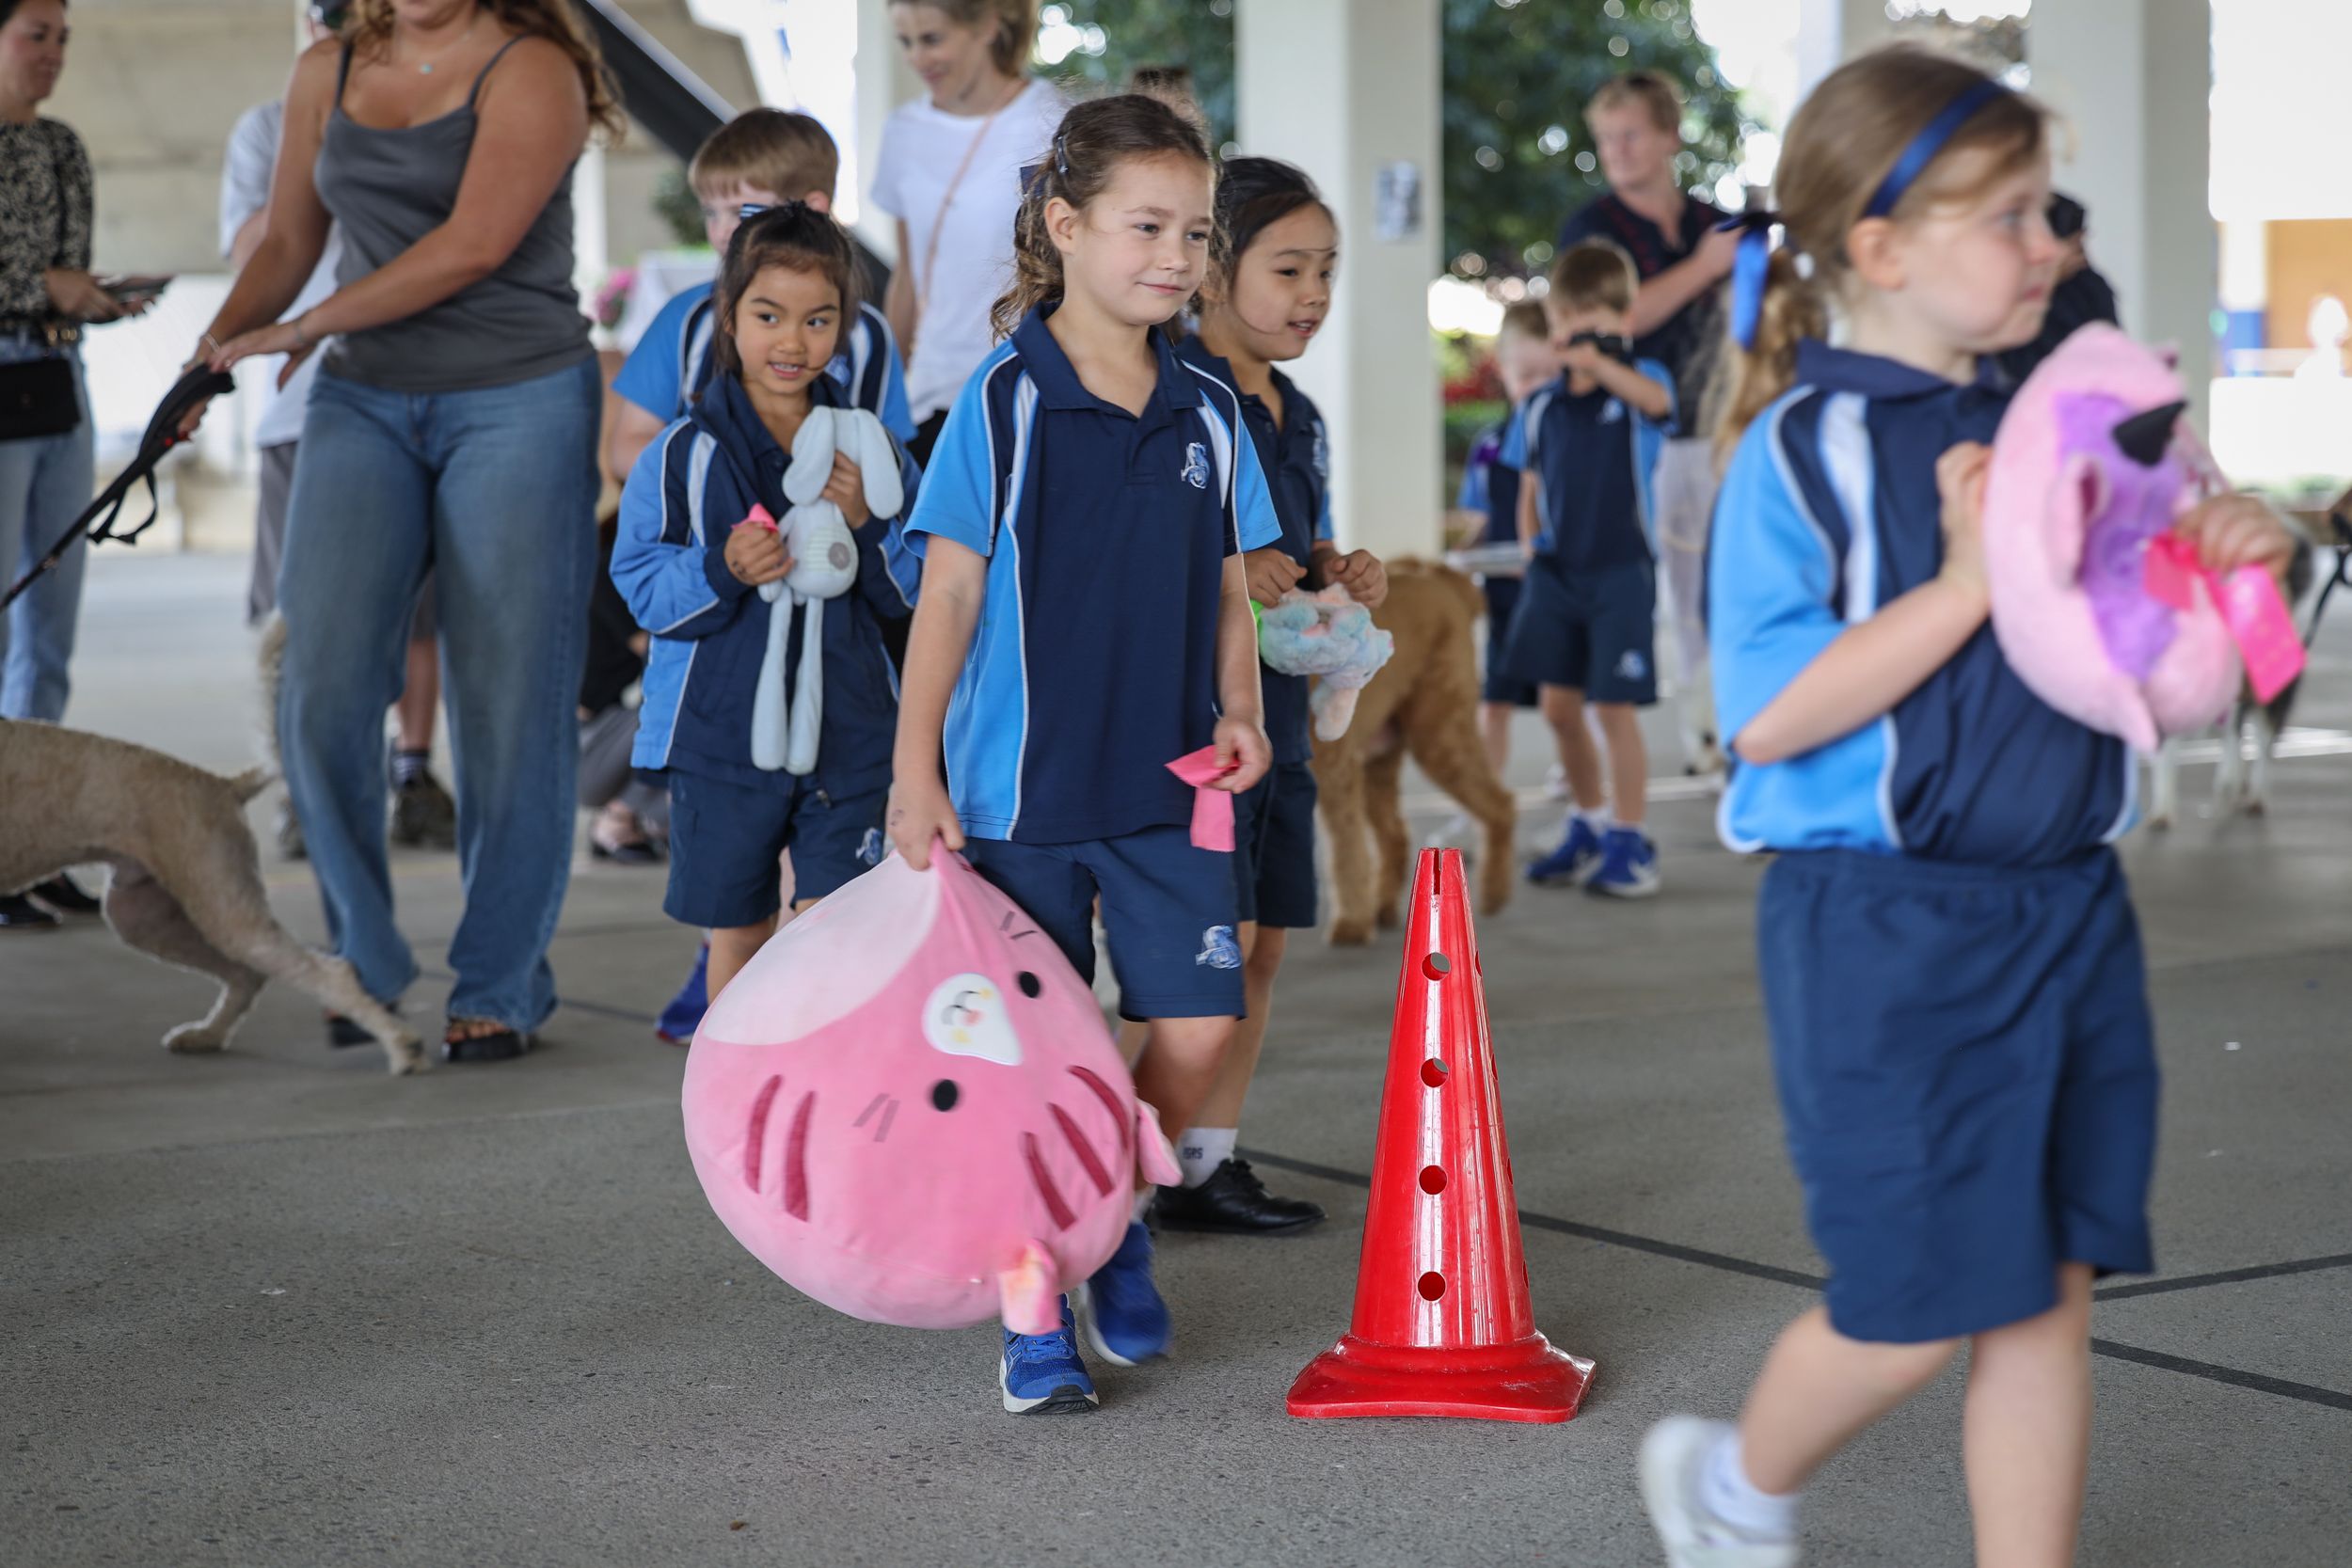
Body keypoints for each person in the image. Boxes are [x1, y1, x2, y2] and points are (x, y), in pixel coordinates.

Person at [1645, 47, 2295, 1568]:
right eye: (2006, 216)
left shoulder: (2059, 420)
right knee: (1914, 1304)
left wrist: (2220, 546)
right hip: (1886, 931)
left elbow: (2149, 636)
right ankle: (1733, 1484)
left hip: (2068, 908)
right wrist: (1961, 583)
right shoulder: (1796, 451)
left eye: (2045, 210)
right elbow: (1765, 714)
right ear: (1880, 249)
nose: (2048, 242)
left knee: (2047, 1290)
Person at [886, 95, 1280, 1413]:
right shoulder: (1002, 401)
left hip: (1171, 784)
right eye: (1146, 226)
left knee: (1198, 1023)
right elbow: (946, 594)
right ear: (1064, 226)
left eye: (1196, 232)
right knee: (1023, 1060)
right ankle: (1034, 1306)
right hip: (1021, 794)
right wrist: (914, 773)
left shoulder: (1210, 407)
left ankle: (1105, 1211)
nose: (1177, 255)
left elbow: (1229, 585)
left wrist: (1242, 710)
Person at [195, 0, 621, 1062]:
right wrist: (211, 354)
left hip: (516, 394)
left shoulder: (533, 67)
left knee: (509, 697)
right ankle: (363, 959)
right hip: (365, 395)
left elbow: (472, 245)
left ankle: (500, 981)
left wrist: (306, 327)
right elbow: (289, 239)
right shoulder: (329, 69)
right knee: (317, 682)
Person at [605, 105, 916, 1046]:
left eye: (818, 321)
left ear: (846, 329)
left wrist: (866, 528)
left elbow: (916, 589)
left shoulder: (868, 450)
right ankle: (735, 1081)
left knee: (833, 922)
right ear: (727, 319)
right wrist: (720, 567)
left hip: (851, 733)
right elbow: (641, 582)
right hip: (720, 734)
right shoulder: (682, 454)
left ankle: (822, 1083)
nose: (793, 341)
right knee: (736, 929)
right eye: (768, 316)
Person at [1133, 156, 1386, 1237]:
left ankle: (1203, 1166)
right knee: (1202, 953)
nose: (1313, 293)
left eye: (1326, 269)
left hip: (1280, 723)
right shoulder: (1172, 396)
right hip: (1200, 725)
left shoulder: (1297, 411)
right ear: (1211, 270)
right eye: (1288, 269)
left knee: (1264, 942)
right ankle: (1113, 1179)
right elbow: (1148, 558)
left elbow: (1287, 544)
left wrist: (1333, 567)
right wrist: (1237, 569)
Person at [219, 0, 456, 862]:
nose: (340, 29)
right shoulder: (266, 127)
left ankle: (413, 771)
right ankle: (304, 782)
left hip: (416, 390)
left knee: (418, 610)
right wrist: (318, 146)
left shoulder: (429, 109)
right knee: (303, 612)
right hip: (301, 408)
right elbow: (254, 250)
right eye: (327, 14)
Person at [0, 0, 150, 931]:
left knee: (49, 627)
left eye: (62, 38)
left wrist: (94, 297)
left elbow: (67, 272)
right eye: (36, 34)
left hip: (60, 379)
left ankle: (32, 841)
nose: (53, 53)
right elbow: (38, 276)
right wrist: (38, 286)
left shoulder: (62, 148)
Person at [1560, 69, 1739, 775]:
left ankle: (1720, 730)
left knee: (1723, 588)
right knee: (1649, 596)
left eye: (1631, 134)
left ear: (1669, 136)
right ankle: (1615, 751)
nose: (1617, 150)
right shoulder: (1593, 228)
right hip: (1631, 443)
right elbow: (1613, 320)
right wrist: (1704, 268)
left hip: (1722, 427)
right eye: (1606, 138)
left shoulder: (1711, 222)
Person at [1504, 240, 1674, 899]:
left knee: (1614, 707)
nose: (1578, 333)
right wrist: (1530, 545)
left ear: (1623, 322)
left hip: (1620, 570)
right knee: (1558, 707)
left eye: (1594, 320)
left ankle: (1630, 838)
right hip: (1557, 572)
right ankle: (1589, 818)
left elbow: (1658, 404)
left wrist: (1603, 362)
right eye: (1568, 319)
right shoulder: (1543, 405)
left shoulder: (1638, 385)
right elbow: (1530, 482)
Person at [871, 0, 1061, 464]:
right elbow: (908, 276)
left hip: (1027, 391)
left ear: (988, 25)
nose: (917, 58)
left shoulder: (1052, 119)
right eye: (906, 41)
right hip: (931, 397)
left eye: (932, 39)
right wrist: (883, 400)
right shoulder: (904, 130)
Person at [1453, 300, 1566, 800]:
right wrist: (1460, 558)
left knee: (1565, 700)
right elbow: (1478, 519)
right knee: (1494, 701)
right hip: (1505, 597)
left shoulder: (1570, 439)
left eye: (1549, 375)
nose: (1537, 388)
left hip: (1559, 593)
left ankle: (1574, 779)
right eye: (1526, 376)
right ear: (1502, 370)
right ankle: (1486, 793)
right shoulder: (1490, 446)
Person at [1994, 192, 2117, 384]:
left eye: (2081, 241)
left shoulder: (2090, 284)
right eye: (2072, 243)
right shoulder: (2003, 296)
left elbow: (2114, 354)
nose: (2079, 254)